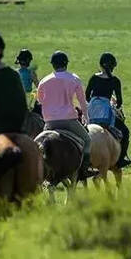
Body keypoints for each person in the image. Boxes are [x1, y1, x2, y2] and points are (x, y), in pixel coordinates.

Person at [35, 51, 93, 180]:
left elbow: (40, 100)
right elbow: (82, 101)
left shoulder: (44, 81)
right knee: (87, 141)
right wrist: (86, 116)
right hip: (69, 121)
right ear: (66, 64)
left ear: (53, 65)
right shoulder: (74, 78)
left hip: (50, 122)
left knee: (38, 145)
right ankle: (84, 170)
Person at [85, 52, 131, 168]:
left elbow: (87, 95)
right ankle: (121, 159)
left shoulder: (94, 77)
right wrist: (114, 104)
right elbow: (120, 102)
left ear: (101, 65)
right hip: (106, 110)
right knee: (125, 132)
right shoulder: (115, 80)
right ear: (113, 66)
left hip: (92, 109)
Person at [15, 48, 42, 115]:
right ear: (29, 61)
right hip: (28, 100)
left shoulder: (15, 73)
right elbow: (39, 87)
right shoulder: (31, 73)